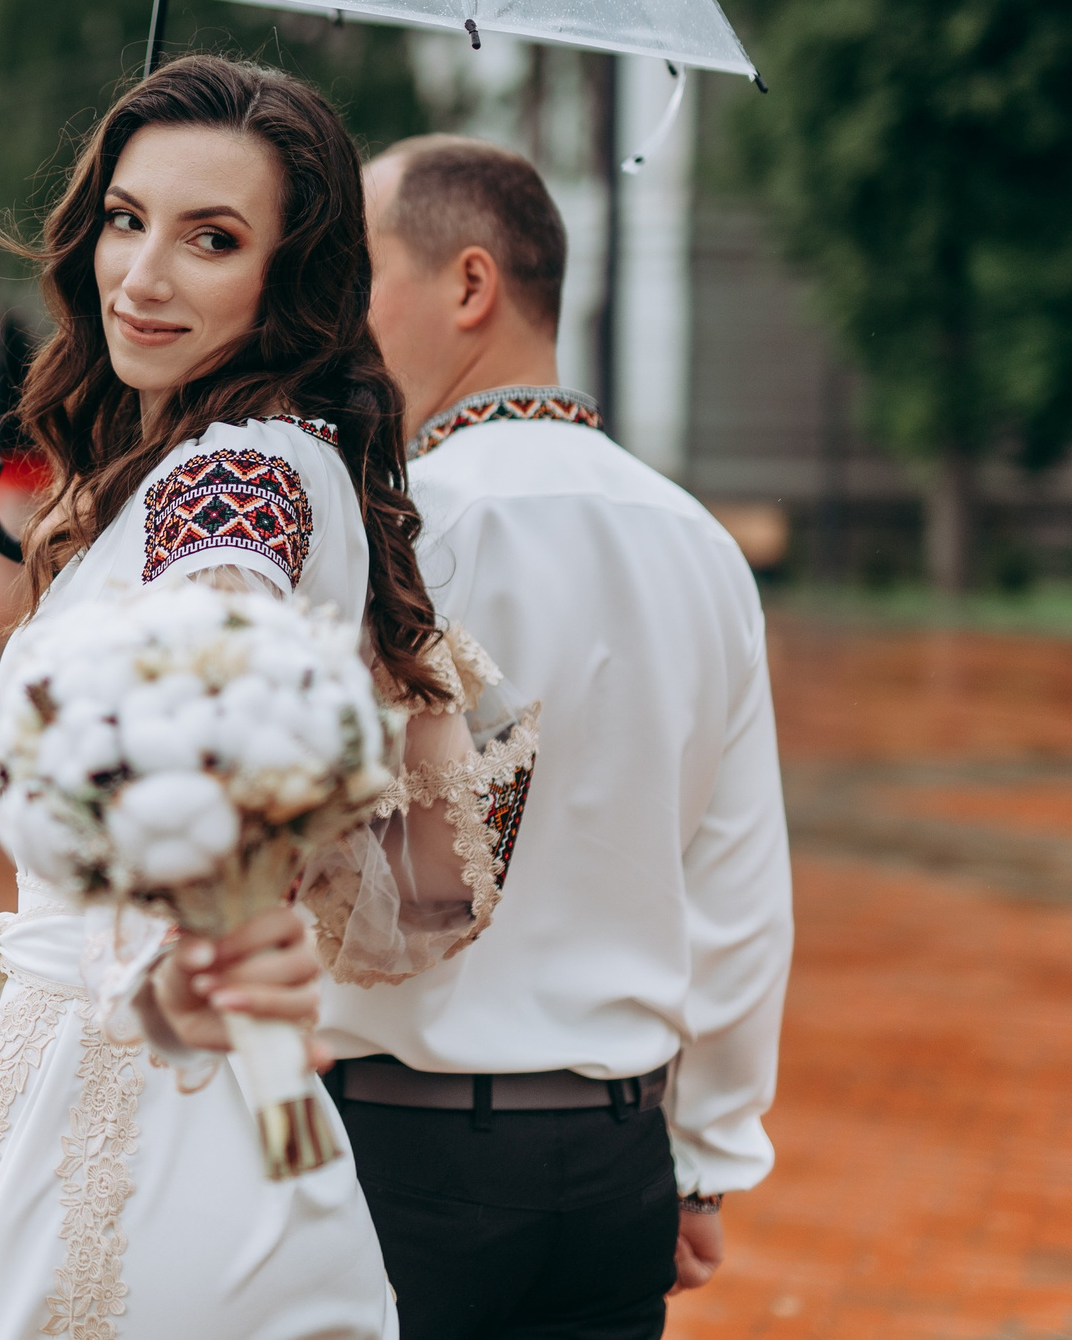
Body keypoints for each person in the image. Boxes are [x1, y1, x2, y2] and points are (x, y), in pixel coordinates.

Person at [0, 56, 454, 1340]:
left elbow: (211, 672)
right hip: (190, 1080)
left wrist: (175, 968)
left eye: (211, 239)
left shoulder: (232, 480)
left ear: (290, 279)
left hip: (123, 1085)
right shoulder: (259, 457)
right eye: (127, 219)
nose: (143, 275)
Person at [319, 134, 794, 1340]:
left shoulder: (403, 529)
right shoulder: (700, 547)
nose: (333, 317)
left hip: (404, 1159)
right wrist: (703, 1158)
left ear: (468, 284)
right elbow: (738, 893)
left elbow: (315, 848)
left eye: (353, 273)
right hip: (616, 1164)